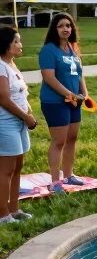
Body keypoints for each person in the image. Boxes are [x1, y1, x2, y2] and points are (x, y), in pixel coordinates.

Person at [39, 12, 90, 194]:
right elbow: (49, 77)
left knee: (72, 138)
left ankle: (68, 175)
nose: (65, 29)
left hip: (74, 101)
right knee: (59, 140)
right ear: (55, 29)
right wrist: (69, 94)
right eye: (61, 26)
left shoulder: (72, 48)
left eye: (68, 25)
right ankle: (55, 182)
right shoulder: (48, 50)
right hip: (55, 101)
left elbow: (79, 72)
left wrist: (84, 92)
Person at [0, 26, 37, 223]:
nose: (20, 45)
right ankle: (2, 214)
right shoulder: (0, 66)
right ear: (6, 45)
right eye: (16, 41)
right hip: (6, 124)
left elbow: (21, 94)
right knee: (5, 170)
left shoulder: (11, 65)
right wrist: (25, 116)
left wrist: (29, 113)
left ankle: (14, 209)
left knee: (17, 166)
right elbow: (4, 99)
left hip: (20, 122)